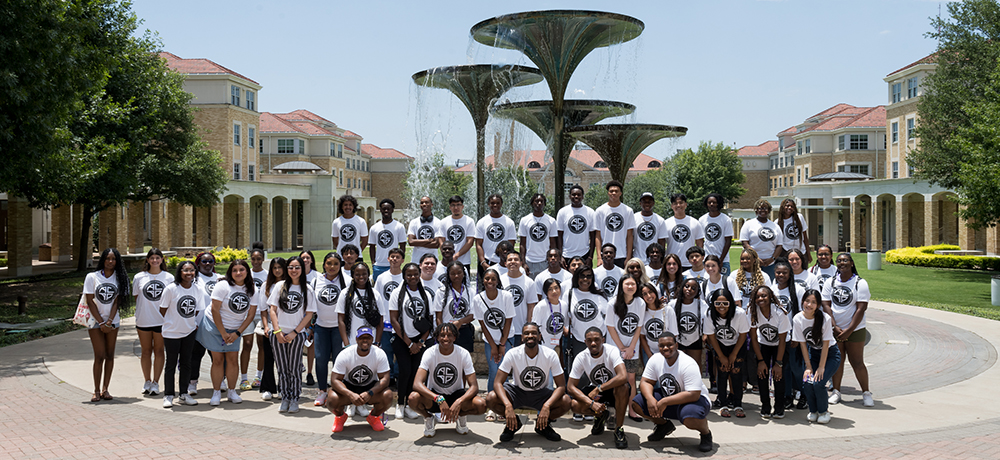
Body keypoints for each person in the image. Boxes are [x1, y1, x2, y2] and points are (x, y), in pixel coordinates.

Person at [486, 323, 572, 442]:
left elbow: (561, 386)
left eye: (533, 333)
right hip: (518, 392)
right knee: (491, 398)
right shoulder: (513, 353)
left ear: (540, 336)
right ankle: (513, 424)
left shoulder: (550, 354)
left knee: (566, 401)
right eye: (526, 333)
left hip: (541, 393)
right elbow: (497, 383)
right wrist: (507, 405)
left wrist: (547, 405)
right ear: (522, 337)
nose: (530, 335)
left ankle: (543, 425)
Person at [631, 333, 714, 452]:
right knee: (637, 403)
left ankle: (706, 434)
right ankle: (663, 425)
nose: (665, 348)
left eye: (669, 345)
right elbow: (645, 381)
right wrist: (650, 399)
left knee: (690, 416)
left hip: (694, 400)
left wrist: (664, 401)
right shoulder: (655, 359)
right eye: (662, 346)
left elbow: (693, 394)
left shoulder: (687, 363)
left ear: (676, 345)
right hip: (670, 397)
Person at [409, 323, 487, 437]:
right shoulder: (430, 352)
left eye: (449, 335)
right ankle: (429, 417)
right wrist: (438, 398)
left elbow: (474, 387)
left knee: (481, 405)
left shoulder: (463, 353)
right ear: (437, 337)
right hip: (435, 396)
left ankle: (460, 415)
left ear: (455, 337)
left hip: (456, 395)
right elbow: (417, 384)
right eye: (442, 335)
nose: (445, 338)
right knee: (413, 398)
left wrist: (459, 401)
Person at [199, 259, 257, 406]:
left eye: (241, 270)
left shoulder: (253, 289)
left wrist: (237, 333)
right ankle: (216, 392)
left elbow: (250, 315)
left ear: (247, 272)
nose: (238, 273)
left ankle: (232, 391)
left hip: (234, 329)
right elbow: (215, 309)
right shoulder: (223, 285)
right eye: (235, 270)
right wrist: (223, 332)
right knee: (218, 360)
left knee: (232, 359)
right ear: (230, 273)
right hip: (214, 325)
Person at [823, 253, 874, 408]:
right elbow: (826, 305)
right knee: (838, 362)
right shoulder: (830, 282)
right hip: (835, 329)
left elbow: (861, 308)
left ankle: (866, 393)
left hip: (855, 329)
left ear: (851, 263)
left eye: (845, 260)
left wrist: (849, 329)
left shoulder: (860, 283)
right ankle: (836, 392)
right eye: (839, 261)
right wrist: (834, 326)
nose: (842, 263)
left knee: (857, 361)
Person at [267, 256, 317, 413]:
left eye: (297, 267)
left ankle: (295, 398)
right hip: (278, 334)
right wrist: (277, 331)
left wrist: (295, 332)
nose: (293, 270)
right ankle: (285, 397)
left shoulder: (307, 289)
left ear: (302, 269)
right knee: (282, 368)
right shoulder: (279, 286)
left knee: (294, 368)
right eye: (290, 267)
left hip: (297, 334)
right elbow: (272, 310)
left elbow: (309, 314)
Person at [567, 327, 631, 449]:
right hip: (596, 394)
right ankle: (601, 416)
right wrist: (591, 403)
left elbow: (623, 377)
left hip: (613, 390)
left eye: (597, 340)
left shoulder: (611, 350)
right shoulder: (581, 357)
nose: (593, 343)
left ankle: (619, 429)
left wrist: (598, 388)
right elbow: (570, 387)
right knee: (574, 405)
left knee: (623, 387)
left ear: (603, 340)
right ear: (585, 342)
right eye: (589, 340)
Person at [83, 248, 130, 402]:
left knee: (110, 355)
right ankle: (96, 390)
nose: (111, 262)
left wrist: (109, 321)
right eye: (108, 258)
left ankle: (105, 389)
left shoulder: (119, 278)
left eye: (114, 259)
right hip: (96, 321)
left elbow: (117, 301)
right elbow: (90, 301)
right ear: (102, 259)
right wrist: (101, 322)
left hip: (112, 322)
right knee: (99, 355)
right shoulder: (92, 277)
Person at [389, 262, 434, 420]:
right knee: (404, 371)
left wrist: (420, 342)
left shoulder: (426, 295)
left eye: (415, 274)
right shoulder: (396, 294)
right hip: (402, 339)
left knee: (415, 373)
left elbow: (430, 321)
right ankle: (400, 403)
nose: (413, 277)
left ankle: (410, 404)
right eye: (409, 274)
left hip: (420, 340)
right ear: (404, 276)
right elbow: (394, 320)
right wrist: (409, 343)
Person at [327, 326, 393, 433]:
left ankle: (374, 417)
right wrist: (350, 394)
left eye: (368, 337)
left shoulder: (379, 353)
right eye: (362, 338)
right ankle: (340, 417)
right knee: (331, 398)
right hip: (349, 386)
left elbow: (385, 379)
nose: (365, 340)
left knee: (388, 395)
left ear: (372, 340)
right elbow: (335, 380)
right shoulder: (345, 354)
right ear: (356, 339)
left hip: (370, 386)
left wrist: (370, 393)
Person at [793, 289, 841, 424]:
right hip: (813, 354)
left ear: (818, 305)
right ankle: (813, 411)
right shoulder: (797, 318)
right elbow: (802, 344)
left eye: (813, 302)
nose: (809, 304)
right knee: (807, 382)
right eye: (807, 301)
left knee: (819, 383)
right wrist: (808, 366)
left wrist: (821, 367)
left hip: (830, 354)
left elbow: (826, 344)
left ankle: (824, 412)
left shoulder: (825, 318)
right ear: (802, 301)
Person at [473, 269, 514, 422]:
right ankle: (492, 406)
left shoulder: (506, 296)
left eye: (493, 279)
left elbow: (509, 320)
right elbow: (482, 324)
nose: (489, 282)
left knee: (503, 372)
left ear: (498, 281)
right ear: (483, 281)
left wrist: (502, 344)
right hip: (489, 341)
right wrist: (494, 345)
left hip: (507, 338)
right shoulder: (478, 299)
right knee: (493, 371)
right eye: (487, 279)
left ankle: (504, 405)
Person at [159, 261, 202, 408]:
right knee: (171, 363)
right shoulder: (171, 289)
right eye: (185, 270)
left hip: (189, 331)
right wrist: (174, 321)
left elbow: (196, 310)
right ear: (180, 272)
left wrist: (188, 322)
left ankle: (184, 393)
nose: (189, 273)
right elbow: (163, 309)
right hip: (171, 332)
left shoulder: (197, 290)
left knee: (186, 363)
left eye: (192, 270)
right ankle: (169, 395)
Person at [605, 275, 645, 421]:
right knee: (614, 379)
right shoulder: (612, 303)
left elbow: (638, 327)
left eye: (633, 284)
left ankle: (632, 410)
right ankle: (613, 410)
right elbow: (610, 327)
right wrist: (622, 348)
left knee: (631, 379)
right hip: (615, 348)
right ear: (621, 286)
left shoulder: (640, 302)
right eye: (627, 284)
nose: (630, 287)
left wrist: (631, 347)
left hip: (632, 348)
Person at [133, 248, 172, 397]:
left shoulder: (168, 277)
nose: (155, 261)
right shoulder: (139, 277)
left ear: (162, 260)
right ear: (147, 260)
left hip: (162, 320)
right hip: (144, 319)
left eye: (157, 258)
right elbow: (138, 298)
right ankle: (147, 380)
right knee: (146, 351)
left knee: (159, 350)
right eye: (152, 258)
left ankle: (156, 382)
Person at [704, 288, 748, 418]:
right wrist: (721, 356)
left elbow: (743, 335)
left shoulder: (739, 313)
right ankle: (723, 403)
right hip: (720, 344)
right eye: (717, 304)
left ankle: (738, 403)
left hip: (737, 344)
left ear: (731, 303)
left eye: (725, 303)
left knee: (736, 372)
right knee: (722, 371)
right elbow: (711, 336)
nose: (721, 307)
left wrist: (734, 354)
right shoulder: (709, 314)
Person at [747, 285, 790, 419]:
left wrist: (778, 363)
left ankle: (779, 407)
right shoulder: (752, 311)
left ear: (770, 296)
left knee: (778, 376)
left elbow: (782, 340)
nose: (761, 298)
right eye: (758, 296)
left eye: (764, 296)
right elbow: (753, 337)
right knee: (762, 375)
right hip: (763, 344)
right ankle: (765, 405)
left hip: (780, 345)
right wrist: (760, 361)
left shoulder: (779, 312)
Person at [312, 252, 347, 406]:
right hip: (321, 326)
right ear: (324, 265)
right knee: (320, 360)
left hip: (339, 328)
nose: (332, 267)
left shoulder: (346, 280)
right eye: (329, 263)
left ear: (340, 266)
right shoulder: (315, 281)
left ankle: (339, 391)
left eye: (336, 264)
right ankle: (322, 391)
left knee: (339, 361)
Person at [189, 252, 222, 396]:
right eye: (204, 261)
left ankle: (221, 380)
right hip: (198, 324)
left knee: (218, 355)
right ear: (198, 263)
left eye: (210, 261)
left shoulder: (220, 279)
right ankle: (192, 383)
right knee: (195, 355)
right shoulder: (194, 279)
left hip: (216, 325)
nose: (207, 264)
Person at [256, 257, 285, 401]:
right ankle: (267, 388)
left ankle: (283, 387)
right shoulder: (266, 285)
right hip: (270, 329)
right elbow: (263, 310)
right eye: (274, 268)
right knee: (269, 358)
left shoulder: (290, 284)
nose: (277, 270)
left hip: (286, 328)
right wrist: (266, 326)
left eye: (280, 267)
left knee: (284, 361)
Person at [374, 248, 404, 382]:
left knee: (400, 350)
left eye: (397, 257)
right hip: (386, 322)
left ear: (402, 260)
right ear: (388, 259)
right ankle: (389, 376)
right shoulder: (381, 278)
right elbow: (377, 298)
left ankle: (398, 373)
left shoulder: (405, 277)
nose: (394, 259)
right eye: (392, 257)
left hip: (401, 322)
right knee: (386, 350)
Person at [476, 194, 517, 289]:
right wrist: (483, 262)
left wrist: (507, 262)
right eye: (492, 203)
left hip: (503, 263)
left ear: (501, 204)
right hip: (486, 262)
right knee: (484, 290)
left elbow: (511, 245)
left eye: (497, 203)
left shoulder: (509, 222)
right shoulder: (482, 222)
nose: (495, 205)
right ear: (488, 204)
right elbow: (478, 244)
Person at [434, 261, 476, 354]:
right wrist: (442, 331)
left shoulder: (471, 292)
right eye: (453, 273)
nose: (456, 276)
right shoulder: (441, 292)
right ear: (448, 275)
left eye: (459, 273)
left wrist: (460, 322)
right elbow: (438, 316)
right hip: (446, 332)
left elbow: (473, 315)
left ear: (464, 274)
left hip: (464, 331)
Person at [500, 251, 537, 347]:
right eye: (510, 260)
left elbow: (531, 307)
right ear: (505, 263)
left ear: (521, 263)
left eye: (516, 260)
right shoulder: (499, 281)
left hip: (520, 329)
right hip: (504, 329)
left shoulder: (529, 282)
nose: (513, 262)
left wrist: (528, 328)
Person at [594, 180, 635, 268]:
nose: (614, 193)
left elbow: (630, 235)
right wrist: (599, 257)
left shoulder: (628, 211)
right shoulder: (600, 211)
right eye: (611, 191)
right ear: (608, 193)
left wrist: (628, 257)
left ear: (620, 193)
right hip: (605, 254)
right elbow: (597, 235)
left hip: (622, 255)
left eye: (616, 191)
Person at [740, 199, 784, 279]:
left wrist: (772, 259)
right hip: (752, 263)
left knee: (769, 286)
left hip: (770, 264)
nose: (762, 210)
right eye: (760, 208)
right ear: (756, 210)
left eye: (765, 208)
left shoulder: (775, 226)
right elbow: (745, 243)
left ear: (769, 210)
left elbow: (779, 245)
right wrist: (755, 258)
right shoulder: (748, 224)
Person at [669, 278, 705, 374]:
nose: (689, 289)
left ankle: (697, 386)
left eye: (693, 288)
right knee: (678, 365)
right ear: (682, 288)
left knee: (695, 365)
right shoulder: (673, 304)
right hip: (677, 339)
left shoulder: (700, 304)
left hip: (695, 338)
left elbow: (708, 319)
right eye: (687, 286)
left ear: (697, 292)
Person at [556, 184, 597, 266]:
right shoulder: (562, 212)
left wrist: (590, 257)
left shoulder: (590, 212)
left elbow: (593, 236)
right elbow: (559, 236)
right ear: (569, 196)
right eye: (573, 194)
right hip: (566, 254)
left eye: (579, 195)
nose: (576, 196)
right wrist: (560, 256)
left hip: (584, 254)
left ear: (582, 197)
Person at [519, 193, 558, 278]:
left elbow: (553, 243)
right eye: (536, 201)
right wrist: (523, 262)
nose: (539, 203)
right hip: (529, 260)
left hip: (545, 261)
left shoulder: (551, 220)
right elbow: (522, 243)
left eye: (541, 201)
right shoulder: (524, 220)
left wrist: (551, 261)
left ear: (544, 204)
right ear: (532, 203)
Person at [245, 249, 268, 389]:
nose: (256, 261)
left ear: (263, 259)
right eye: (253, 259)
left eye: (259, 259)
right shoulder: (246, 273)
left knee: (262, 345)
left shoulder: (267, 275)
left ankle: (258, 376)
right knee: (247, 344)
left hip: (261, 313)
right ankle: (244, 378)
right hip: (247, 314)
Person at [663, 193, 704, 271]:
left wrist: (699, 261)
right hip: (672, 264)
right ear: (672, 206)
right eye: (675, 203)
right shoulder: (666, 223)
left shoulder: (695, 222)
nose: (678, 205)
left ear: (685, 204)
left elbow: (700, 244)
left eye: (681, 203)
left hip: (690, 263)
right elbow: (661, 243)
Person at [639, 282, 677, 365]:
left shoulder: (668, 310)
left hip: (667, 352)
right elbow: (642, 337)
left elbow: (674, 334)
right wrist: (650, 355)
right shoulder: (642, 312)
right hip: (649, 353)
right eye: (644, 294)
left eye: (650, 292)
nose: (649, 296)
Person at [369, 198, 407, 281]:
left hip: (393, 264)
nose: (386, 210)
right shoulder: (374, 228)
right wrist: (373, 263)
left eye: (388, 209)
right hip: (378, 265)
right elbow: (372, 246)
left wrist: (399, 261)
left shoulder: (399, 226)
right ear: (380, 210)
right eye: (384, 209)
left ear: (392, 210)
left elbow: (402, 245)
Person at [438, 195, 476, 274]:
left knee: (464, 285)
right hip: (447, 261)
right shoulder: (444, 222)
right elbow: (441, 241)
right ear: (450, 207)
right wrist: (447, 255)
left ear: (462, 206)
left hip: (464, 261)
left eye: (458, 205)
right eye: (453, 205)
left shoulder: (469, 221)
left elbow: (470, 242)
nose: (456, 208)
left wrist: (456, 256)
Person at [699, 193, 734, 276]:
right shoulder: (702, 219)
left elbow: (728, 241)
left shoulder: (726, 220)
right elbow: (701, 241)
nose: (711, 204)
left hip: (723, 260)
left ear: (719, 203)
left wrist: (720, 260)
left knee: (724, 285)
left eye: (714, 202)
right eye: (709, 202)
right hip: (706, 260)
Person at [532, 278, 569, 352]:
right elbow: (535, 327)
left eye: (556, 288)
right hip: (542, 346)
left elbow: (565, 324)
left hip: (557, 345)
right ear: (546, 292)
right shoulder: (541, 306)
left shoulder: (564, 305)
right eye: (550, 289)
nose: (554, 291)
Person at [299, 249, 319, 387]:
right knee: (297, 344)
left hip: (311, 315)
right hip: (296, 315)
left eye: (307, 258)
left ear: (312, 260)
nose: (305, 260)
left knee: (310, 344)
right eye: (303, 258)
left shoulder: (317, 276)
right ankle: (298, 368)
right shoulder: (295, 274)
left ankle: (310, 373)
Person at [633, 192, 667, 262]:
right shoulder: (633, 218)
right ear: (640, 203)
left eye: (649, 202)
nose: (647, 204)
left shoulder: (660, 220)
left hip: (654, 261)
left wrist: (661, 260)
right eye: (644, 201)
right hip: (637, 259)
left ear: (653, 203)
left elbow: (661, 242)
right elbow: (630, 238)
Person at [408, 195, 441, 264]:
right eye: (422, 203)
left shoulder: (438, 222)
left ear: (431, 205)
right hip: (416, 261)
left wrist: (417, 242)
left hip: (432, 261)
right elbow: (411, 242)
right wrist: (429, 240)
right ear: (420, 205)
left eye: (426, 202)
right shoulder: (414, 222)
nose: (424, 204)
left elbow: (436, 244)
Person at [778, 198, 811, 265]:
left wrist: (808, 254)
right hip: (786, 252)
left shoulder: (799, 217)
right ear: (782, 207)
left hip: (801, 251)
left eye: (792, 206)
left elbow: (805, 237)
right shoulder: (777, 222)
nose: (789, 208)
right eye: (787, 205)